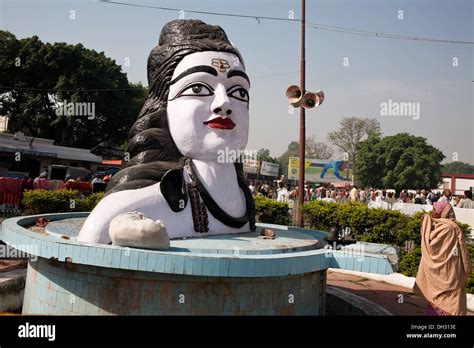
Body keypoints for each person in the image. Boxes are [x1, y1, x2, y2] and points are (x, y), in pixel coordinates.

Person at [414, 201, 472, 315]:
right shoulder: (444, 225)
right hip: (445, 272)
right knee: (438, 302)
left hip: (449, 272)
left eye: (435, 209)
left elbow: (432, 247)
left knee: (448, 303)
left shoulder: (448, 228)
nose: (432, 211)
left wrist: (426, 226)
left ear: (442, 212)